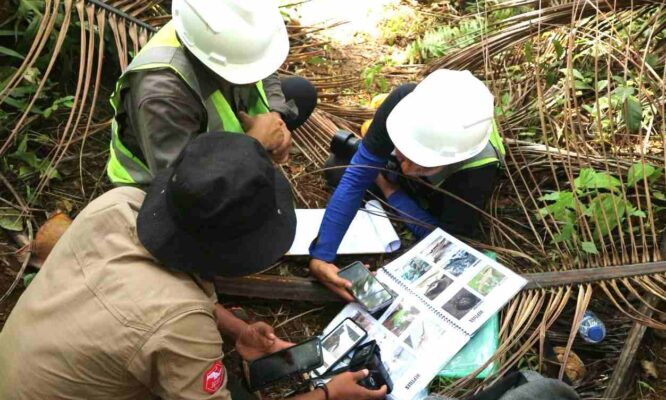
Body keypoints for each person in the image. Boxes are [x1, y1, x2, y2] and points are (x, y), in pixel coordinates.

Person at [0, 133, 385, 400]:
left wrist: (238, 330)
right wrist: (328, 393)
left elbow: (153, 291)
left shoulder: (117, 204)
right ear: (240, 251)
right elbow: (169, 315)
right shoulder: (181, 327)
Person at [309, 69, 506, 300]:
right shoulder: (404, 104)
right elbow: (356, 177)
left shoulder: (478, 170)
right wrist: (321, 256)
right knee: (337, 167)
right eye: (404, 156)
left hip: (442, 195)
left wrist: (388, 189)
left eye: (422, 164)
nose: (407, 169)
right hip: (415, 184)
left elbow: (443, 241)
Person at [107, 0, 317, 186]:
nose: (255, 77)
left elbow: (263, 65)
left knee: (300, 92)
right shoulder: (161, 95)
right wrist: (253, 146)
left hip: (224, 143)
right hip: (160, 188)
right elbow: (184, 186)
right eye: (244, 69)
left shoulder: (217, 33)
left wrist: (275, 117)